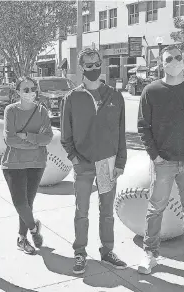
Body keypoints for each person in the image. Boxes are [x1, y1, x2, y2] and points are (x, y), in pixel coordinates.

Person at [137, 45, 184, 275]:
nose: (175, 61)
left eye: (179, 57)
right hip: (163, 162)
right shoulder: (151, 91)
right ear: (162, 63)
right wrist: (155, 156)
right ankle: (150, 253)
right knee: (155, 208)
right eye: (169, 58)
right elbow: (143, 126)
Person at [61, 48, 127, 274]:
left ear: (102, 64)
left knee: (107, 211)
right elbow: (65, 136)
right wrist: (75, 160)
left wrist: (120, 162)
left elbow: (120, 132)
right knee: (82, 212)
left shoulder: (115, 96)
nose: (93, 68)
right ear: (81, 68)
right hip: (83, 165)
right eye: (88, 65)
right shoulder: (72, 98)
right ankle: (80, 252)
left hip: (107, 164)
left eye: (96, 63)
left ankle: (107, 251)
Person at [1, 77, 53, 255]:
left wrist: (26, 136)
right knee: (20, 203)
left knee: (28, 203)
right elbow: (9, 139)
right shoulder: (11, 110)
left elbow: (47, 138)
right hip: (13, 164)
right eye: (25, 89)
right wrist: (35, 141)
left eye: (32, 88)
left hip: (37, 163)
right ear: (18, 92)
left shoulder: (42, 111)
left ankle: (21, 239)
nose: (30, 92)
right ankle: (33, 229)